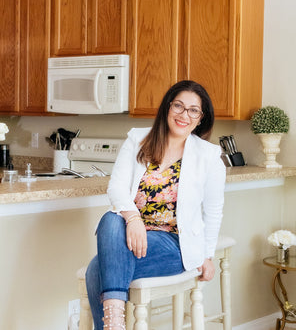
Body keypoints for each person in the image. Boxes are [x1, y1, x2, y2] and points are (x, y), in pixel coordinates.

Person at [85, 80, 226, 330]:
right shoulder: (138, 139)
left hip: (175, 243)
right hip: (132, 234)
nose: (184, 115)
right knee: (110, 219)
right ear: (167, 108)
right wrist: (134, 220)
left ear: (201, 118)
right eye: (179, 106)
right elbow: (116, 188)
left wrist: (207, 255)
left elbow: (214, 210)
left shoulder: (209, 156)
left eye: (193, 110)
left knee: (97, 268)